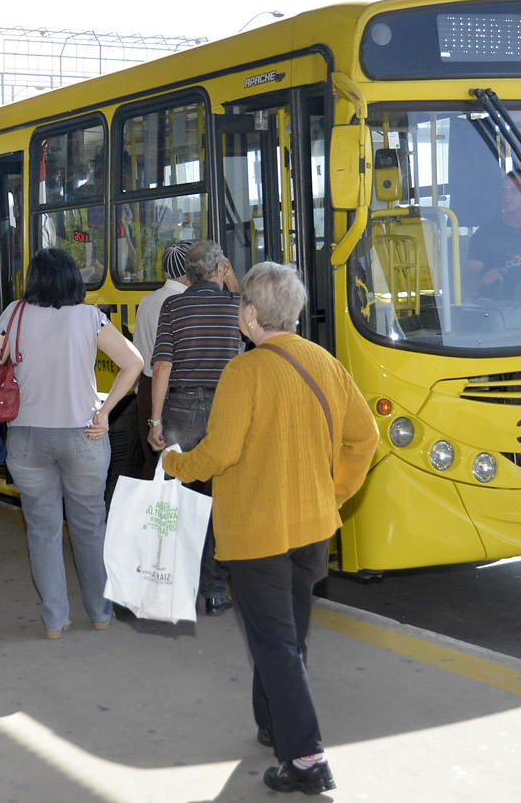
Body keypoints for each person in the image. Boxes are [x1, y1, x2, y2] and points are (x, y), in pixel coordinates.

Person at [162, 262, 378, 795]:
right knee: (288, 638)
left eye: (240, 306)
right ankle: (273, 723)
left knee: (275, 643)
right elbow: (365, 436)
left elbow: (219, 452)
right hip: (312, 530)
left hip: (259, 535)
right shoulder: (325, 363)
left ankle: (306, 759)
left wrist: (174, 465)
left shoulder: (246, 372)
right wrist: (336, 494)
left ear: (252, 314)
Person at [0, 248, 143, 639]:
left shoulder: (12, 314)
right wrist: (104, 413)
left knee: (43, 529)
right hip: (82, 435)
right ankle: (100, 613)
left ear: (33, 279)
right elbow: (133, 362)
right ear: (73, 279)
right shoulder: (89, 317)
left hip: (26, 438)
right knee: (89, 527)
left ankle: (54, 620)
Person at [146, 238, 241, 614]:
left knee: (173, 496)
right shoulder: (236, 306)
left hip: (181, 407)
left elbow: (163, 366)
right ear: (219, 270)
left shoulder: (174, 305)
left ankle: (165, 584)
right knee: (222, 496)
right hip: (226, 407)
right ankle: (216, 590)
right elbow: (243, 301)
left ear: (187, 272)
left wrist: (156, 420)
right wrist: (229, 274)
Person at [132, 241, 190, 478]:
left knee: (152, 463)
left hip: (146, 389)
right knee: (175, 467)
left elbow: (137, 351)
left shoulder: (147, 301)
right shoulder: (183, 303)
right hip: (170, 392)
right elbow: (168, 363)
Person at [464, 172, 521, 298]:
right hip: (503, 310)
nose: (507, 196)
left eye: (514, 191)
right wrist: (482, 279)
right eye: (504, 191)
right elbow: (468, 278)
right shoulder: (485, 233)